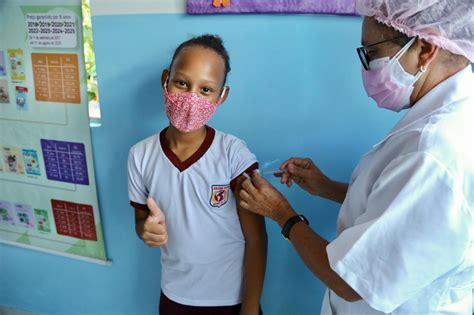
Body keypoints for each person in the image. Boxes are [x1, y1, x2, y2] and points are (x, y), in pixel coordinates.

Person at [238, 0, 474, 314]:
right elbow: (398, 207)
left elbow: (350, 283)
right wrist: (325, 187)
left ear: (426, 48)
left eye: (371, 53)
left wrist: (283, 214)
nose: (366, 68)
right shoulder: (451, 116)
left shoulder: (432, 150)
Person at [127, 34, 267, 315]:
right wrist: (146, 230)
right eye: (182, 83)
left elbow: (257, 239)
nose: (191, 98)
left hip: (231, 299)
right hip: (174, 295)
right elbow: (141, 220)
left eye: (205, 90)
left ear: (222, 96)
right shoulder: (140, 155)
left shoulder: (233, 154)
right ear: (166, 79)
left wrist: (250, 307)